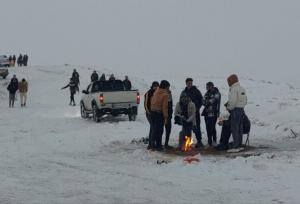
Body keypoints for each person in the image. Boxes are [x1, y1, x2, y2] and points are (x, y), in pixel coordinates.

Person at [226, 74, 247, 150]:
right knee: (240, 127)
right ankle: (239, 143)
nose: (228, 83)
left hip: (235, 110)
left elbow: (233, 101)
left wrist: (229, 108)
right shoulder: (242, 88)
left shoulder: (233, 89)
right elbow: (245, 100)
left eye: (228, 81)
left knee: (234, 127)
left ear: (231, 81)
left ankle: (236, 144)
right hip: (241, 110)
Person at [181, 78, 203, 148]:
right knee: (187, 128)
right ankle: (187, 143)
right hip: (186, 114)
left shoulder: (196, 91)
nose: (189, 84)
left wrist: (198, 108)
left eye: (190, 83)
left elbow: (201, 100)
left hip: (195, 113)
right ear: (186, 83)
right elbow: (180, 102)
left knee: (196, 127)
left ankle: (199, 142)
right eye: (188, 83)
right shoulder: (183, 92)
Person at [150, 80, 170, 151]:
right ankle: (158, 146)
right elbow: (165, 107)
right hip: (159, 114)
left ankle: (153, 144)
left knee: (154, 129)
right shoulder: (165, 94)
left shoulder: (156, 91)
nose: (168, 88)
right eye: (168, 87)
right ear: (166, 86)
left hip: (152, 112)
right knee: (159, 130)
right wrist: (166, 117)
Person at [202, 82, 221, 146]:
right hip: (206, 113)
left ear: (211, 86)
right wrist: (207, 101)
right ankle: (209, 141)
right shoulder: (207, 93)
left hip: (213, 113)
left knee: (212, 127)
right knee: (207, 127)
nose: (206, 88)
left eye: (207, 86)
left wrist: (207, 101)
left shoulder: (217, 93)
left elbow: (213, 100)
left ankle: (214, 140)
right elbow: (203, 102)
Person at [144, 81, 159, 150]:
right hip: (149, 113)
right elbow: (146, 104)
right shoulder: (148, 93)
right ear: (152, 86)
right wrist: (148, 112)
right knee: (153, 128)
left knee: (153, 128)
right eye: (155, 86)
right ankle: (151, 144)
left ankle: (152, 143)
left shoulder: (158, 93)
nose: (156, 87)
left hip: (155, 113)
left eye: (157, 86)